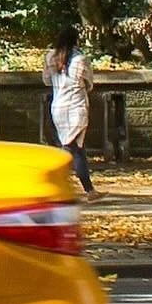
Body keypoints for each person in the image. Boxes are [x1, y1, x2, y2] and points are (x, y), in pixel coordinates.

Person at [45, 24, 96, 198]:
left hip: (58, 107)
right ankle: (54, 183)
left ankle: (87, 190)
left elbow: (46, 80)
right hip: (76, 107)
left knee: (72, 148)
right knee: (72, 148)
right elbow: (89, 82)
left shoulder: (51, 57)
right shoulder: (81, 59)